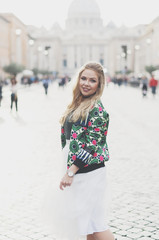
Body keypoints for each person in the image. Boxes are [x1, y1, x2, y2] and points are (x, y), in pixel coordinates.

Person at [46, 62, 114, 240]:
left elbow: (91, 146)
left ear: (99, 85)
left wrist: (70, 171)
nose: (86, 83)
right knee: (87, 225)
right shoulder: (78, 103)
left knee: (96, 224)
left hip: (88, 171)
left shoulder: (97, 109)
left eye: (92, 80)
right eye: (83, 78)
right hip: (78, 169)